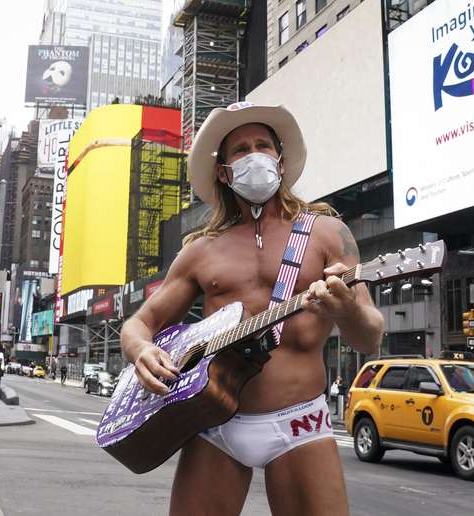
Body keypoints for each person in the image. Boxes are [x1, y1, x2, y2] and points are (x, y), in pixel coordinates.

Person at [121, 102, 383, 515]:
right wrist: (141, 351)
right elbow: (140, 323)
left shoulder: (328, 234)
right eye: (241, 150)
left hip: (301, 424)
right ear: (224, 172)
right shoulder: (200, 251)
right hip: (215, 425)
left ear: (280, 162)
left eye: (263, 145)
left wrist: (346, 309)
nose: (254, 155)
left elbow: (369, 337)